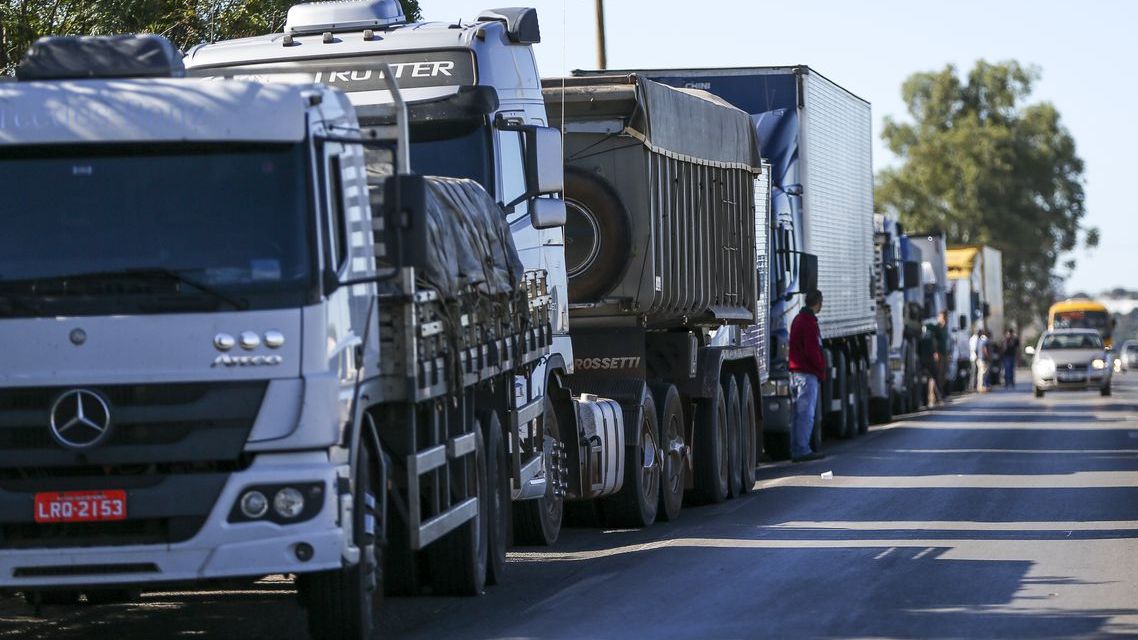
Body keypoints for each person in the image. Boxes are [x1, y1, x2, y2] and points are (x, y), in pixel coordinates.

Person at [789, 289, 827, 462]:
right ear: (817, 302)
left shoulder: (798, 319)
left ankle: (797, 448)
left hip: (795, 373)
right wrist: (821, 368)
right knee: (806, 414)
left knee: (797, 414)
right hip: (807, 374)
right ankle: (802, 449)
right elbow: (812, 350)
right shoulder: (809, 322)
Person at [918, 323, 942, 406]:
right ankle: (938, 397)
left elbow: (918, 350)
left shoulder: (921, 337)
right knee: (935, 376)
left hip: (922, 361)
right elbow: (934, 347)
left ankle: (924, 400)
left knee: (924, 380)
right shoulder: (931, 337)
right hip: (930, 360)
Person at [968, 325, 981, 391]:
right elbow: (975, 349)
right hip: (974, 358)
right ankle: (972, 386)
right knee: (974, 372)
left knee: (973, 372)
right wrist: (978, 357)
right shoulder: (976, 338)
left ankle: (972, 386)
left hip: (972, 357)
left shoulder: (971, 338)